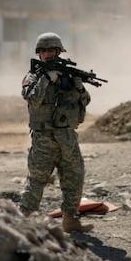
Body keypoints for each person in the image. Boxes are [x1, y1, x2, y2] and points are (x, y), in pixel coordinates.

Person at [19, 32, 94, 233]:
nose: (48, 54)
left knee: (74, 177)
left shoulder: (68, 74)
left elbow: (85, 101)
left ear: (59, 52)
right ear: (39, 53)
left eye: (52, 50)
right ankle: (23, 223)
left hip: (67, 136)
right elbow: (32, 98)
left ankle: (70, 220)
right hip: (44, 138)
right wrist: (47, 80)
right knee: (36, 180)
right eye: (44, 51)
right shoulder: (33, 76)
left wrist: (79, 88)